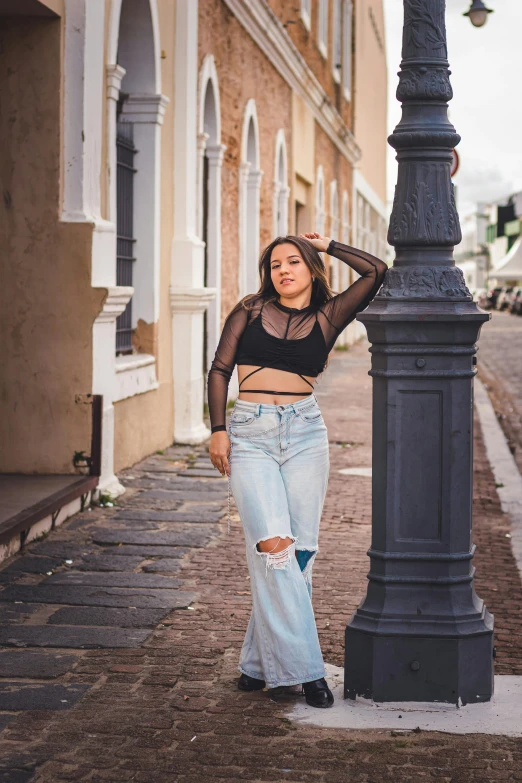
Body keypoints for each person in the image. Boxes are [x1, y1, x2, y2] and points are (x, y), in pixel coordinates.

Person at [207, 232, 387, 708]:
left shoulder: (328, 317)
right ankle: (309, 672)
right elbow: (220, 369)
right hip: (250, 434)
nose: (282, 271)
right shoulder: (248, 310)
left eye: (293, 262)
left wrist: (328, 244)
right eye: (274, 265)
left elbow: (376, 272)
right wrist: (218, 428)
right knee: (275, 548)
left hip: (306, 433)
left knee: (300, 554)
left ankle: (256, 663)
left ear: (310, 269)